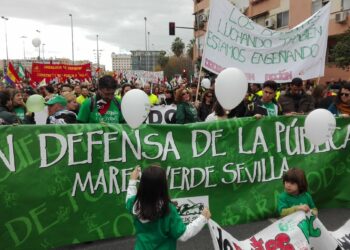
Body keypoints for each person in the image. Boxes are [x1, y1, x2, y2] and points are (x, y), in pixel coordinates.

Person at [126, 165, 211, 249]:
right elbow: (183, 235)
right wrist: (202, 218)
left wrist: (132, 181)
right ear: (163, 186)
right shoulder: (167, 210)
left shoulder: (134, 203)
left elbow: (129, 198)